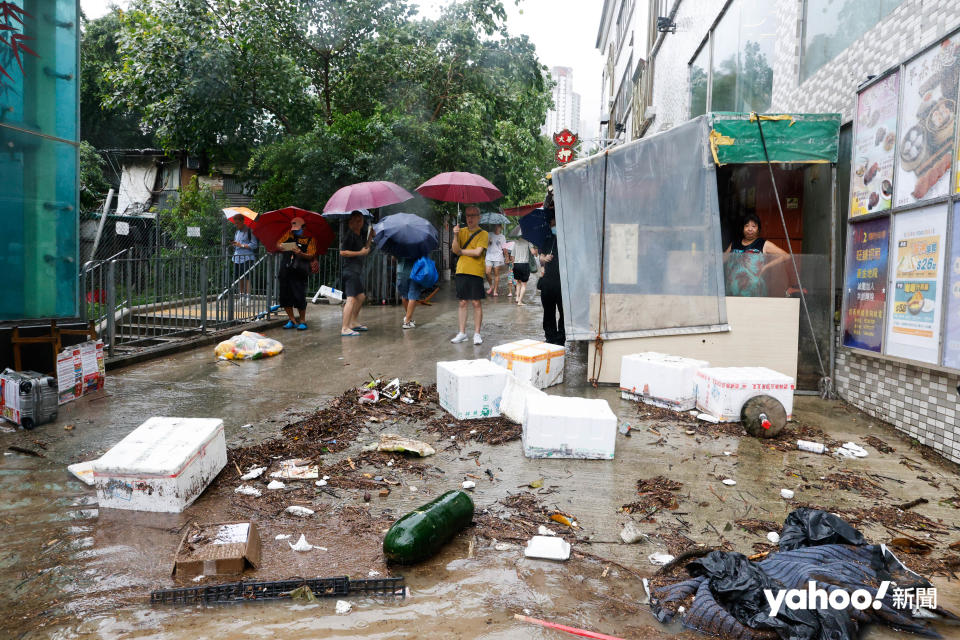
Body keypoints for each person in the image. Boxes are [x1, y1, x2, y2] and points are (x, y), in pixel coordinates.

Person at [724, 214, 789, 297]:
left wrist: (766, 267)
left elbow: (786, 256)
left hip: (754, 290)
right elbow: (722, 259)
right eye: (746, 226)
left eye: (754, 226)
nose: (750, 229)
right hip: (732, 289)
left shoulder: (763, 244)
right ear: (742, 228)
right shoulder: (734, 244)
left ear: (758, 229)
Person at [451, 205, 488, 345]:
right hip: (461, 270)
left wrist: (462, 251)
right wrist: (455, 235)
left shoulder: (483, 234)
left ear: (479, 217)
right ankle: (462, 333)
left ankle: (477, 333)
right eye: (468, 215)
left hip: (476, 271)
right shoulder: (460, 231)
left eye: (473, 215)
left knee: (476, 302)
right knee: (462, 302)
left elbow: (477, 252)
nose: (470, 218)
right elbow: (455, 250)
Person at [276, 216, 317, 330]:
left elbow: (311, 254)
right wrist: (288, 247)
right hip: (285, 270)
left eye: (298, 229)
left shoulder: (310, 239)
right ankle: (292, 320)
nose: (296, 231)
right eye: (294, 229)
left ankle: (302, 320)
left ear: (304, 227)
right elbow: (278, 245)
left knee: (299, 296)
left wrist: (300, 253)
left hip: (299, 272)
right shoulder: (289, 234)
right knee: (285, 296)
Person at [340, 210, 372, 336]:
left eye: (361, 220)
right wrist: (360, 253)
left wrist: (370, 237)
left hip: (356, 271)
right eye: (356, 221)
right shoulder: (349, 235)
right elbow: (342, 252)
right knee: (351, 299)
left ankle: (353, 322)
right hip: (350, 271)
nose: (359, 223)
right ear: (351, 222)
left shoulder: (359, 235)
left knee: (361, 297)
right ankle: (344, 328)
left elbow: (365, 249)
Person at [538, 208, 564, 346]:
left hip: (563, 282)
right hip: (548, 280)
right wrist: (544, 258)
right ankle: (550, 337)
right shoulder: (547, 238)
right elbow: (540, 257)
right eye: (551, 223)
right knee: (548, 311)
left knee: (563, 311)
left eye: (553, 222)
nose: (552, 225)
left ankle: (561, 339)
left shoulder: (567, 237)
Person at [230, 215, 259, 302]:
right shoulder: (237, 232)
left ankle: (248, 297)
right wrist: (235, 244)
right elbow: (238, 244)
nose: (236, 225)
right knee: (239, 277)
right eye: (235, 223)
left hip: (247, 257)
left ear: (243, 221)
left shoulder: (250, 231)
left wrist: (241, 245)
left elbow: (254, 245)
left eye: (238, 223)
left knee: (247, 277)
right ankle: (241, 297)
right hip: (237, 257)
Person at [396, 256, 422, 329]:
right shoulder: (416, 245)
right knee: (412, 296)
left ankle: (408, 318)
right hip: (414, 272)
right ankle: (407, 321)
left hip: (401, 273)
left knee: (404, 296)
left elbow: (394, 258)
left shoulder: (399, 245)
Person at [510, 236, 534, 305]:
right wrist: (535, 250)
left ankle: (517, 298)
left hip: (516, 264)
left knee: (518, 282)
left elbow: (512, 256)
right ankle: (520, 302)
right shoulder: (528, 241)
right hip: (524, 264)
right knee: (524, 284)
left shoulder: (516, 242)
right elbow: (533, 252)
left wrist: (513, 265)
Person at [485, 223, 507, 296]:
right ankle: (491, 286)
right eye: (495, 226)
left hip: (498, 257)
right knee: (487, 272)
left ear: (500, 227)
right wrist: (489, 242)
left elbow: (504, 248)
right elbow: (484, 245)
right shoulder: (489, 234)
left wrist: (507, 257)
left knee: (496, 274)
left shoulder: (502, 237)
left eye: (498, 226)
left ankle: (495, 291)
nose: (496, 227)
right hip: (489, 256)